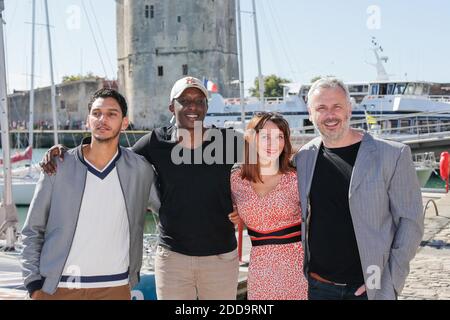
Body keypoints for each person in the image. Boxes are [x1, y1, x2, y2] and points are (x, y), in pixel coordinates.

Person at [40, 77, 243, 300]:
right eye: (184, 100)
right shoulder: (156, 142)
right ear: (171, 107)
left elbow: (268, 164)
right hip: (173, 259)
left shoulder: (227, 141)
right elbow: (114, 157)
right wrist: (67, 153)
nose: (192, 106)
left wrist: (244, 205)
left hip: (221, 258)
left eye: (199, 101)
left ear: (206, 106)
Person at [295, 77, 424, 300]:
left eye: (337, 106)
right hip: (318, 286)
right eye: (321, 108)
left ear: (349, 109)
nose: (330, 115)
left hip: (369, 288)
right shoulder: (304, 157)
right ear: (310, 113)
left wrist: (389, 283)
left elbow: (410, 224)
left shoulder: (393, 155)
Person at [22, 89, 157, 300]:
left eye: (112, 114)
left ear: (124, 122)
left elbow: (170, 211)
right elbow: (32, 229)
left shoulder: (140, 170)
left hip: (115, 287)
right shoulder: (58, 166)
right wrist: (33, 284)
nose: (102, 119)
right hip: (58, 288)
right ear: (88, 120)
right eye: (96, 113)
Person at [229, 112, 308, 300]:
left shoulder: (298, 177)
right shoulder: (236, 180)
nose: (274, 143)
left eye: (279, 136)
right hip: (259, 270)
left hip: (298, 269)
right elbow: (224, 212)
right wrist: (235, 215)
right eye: (265, 137)